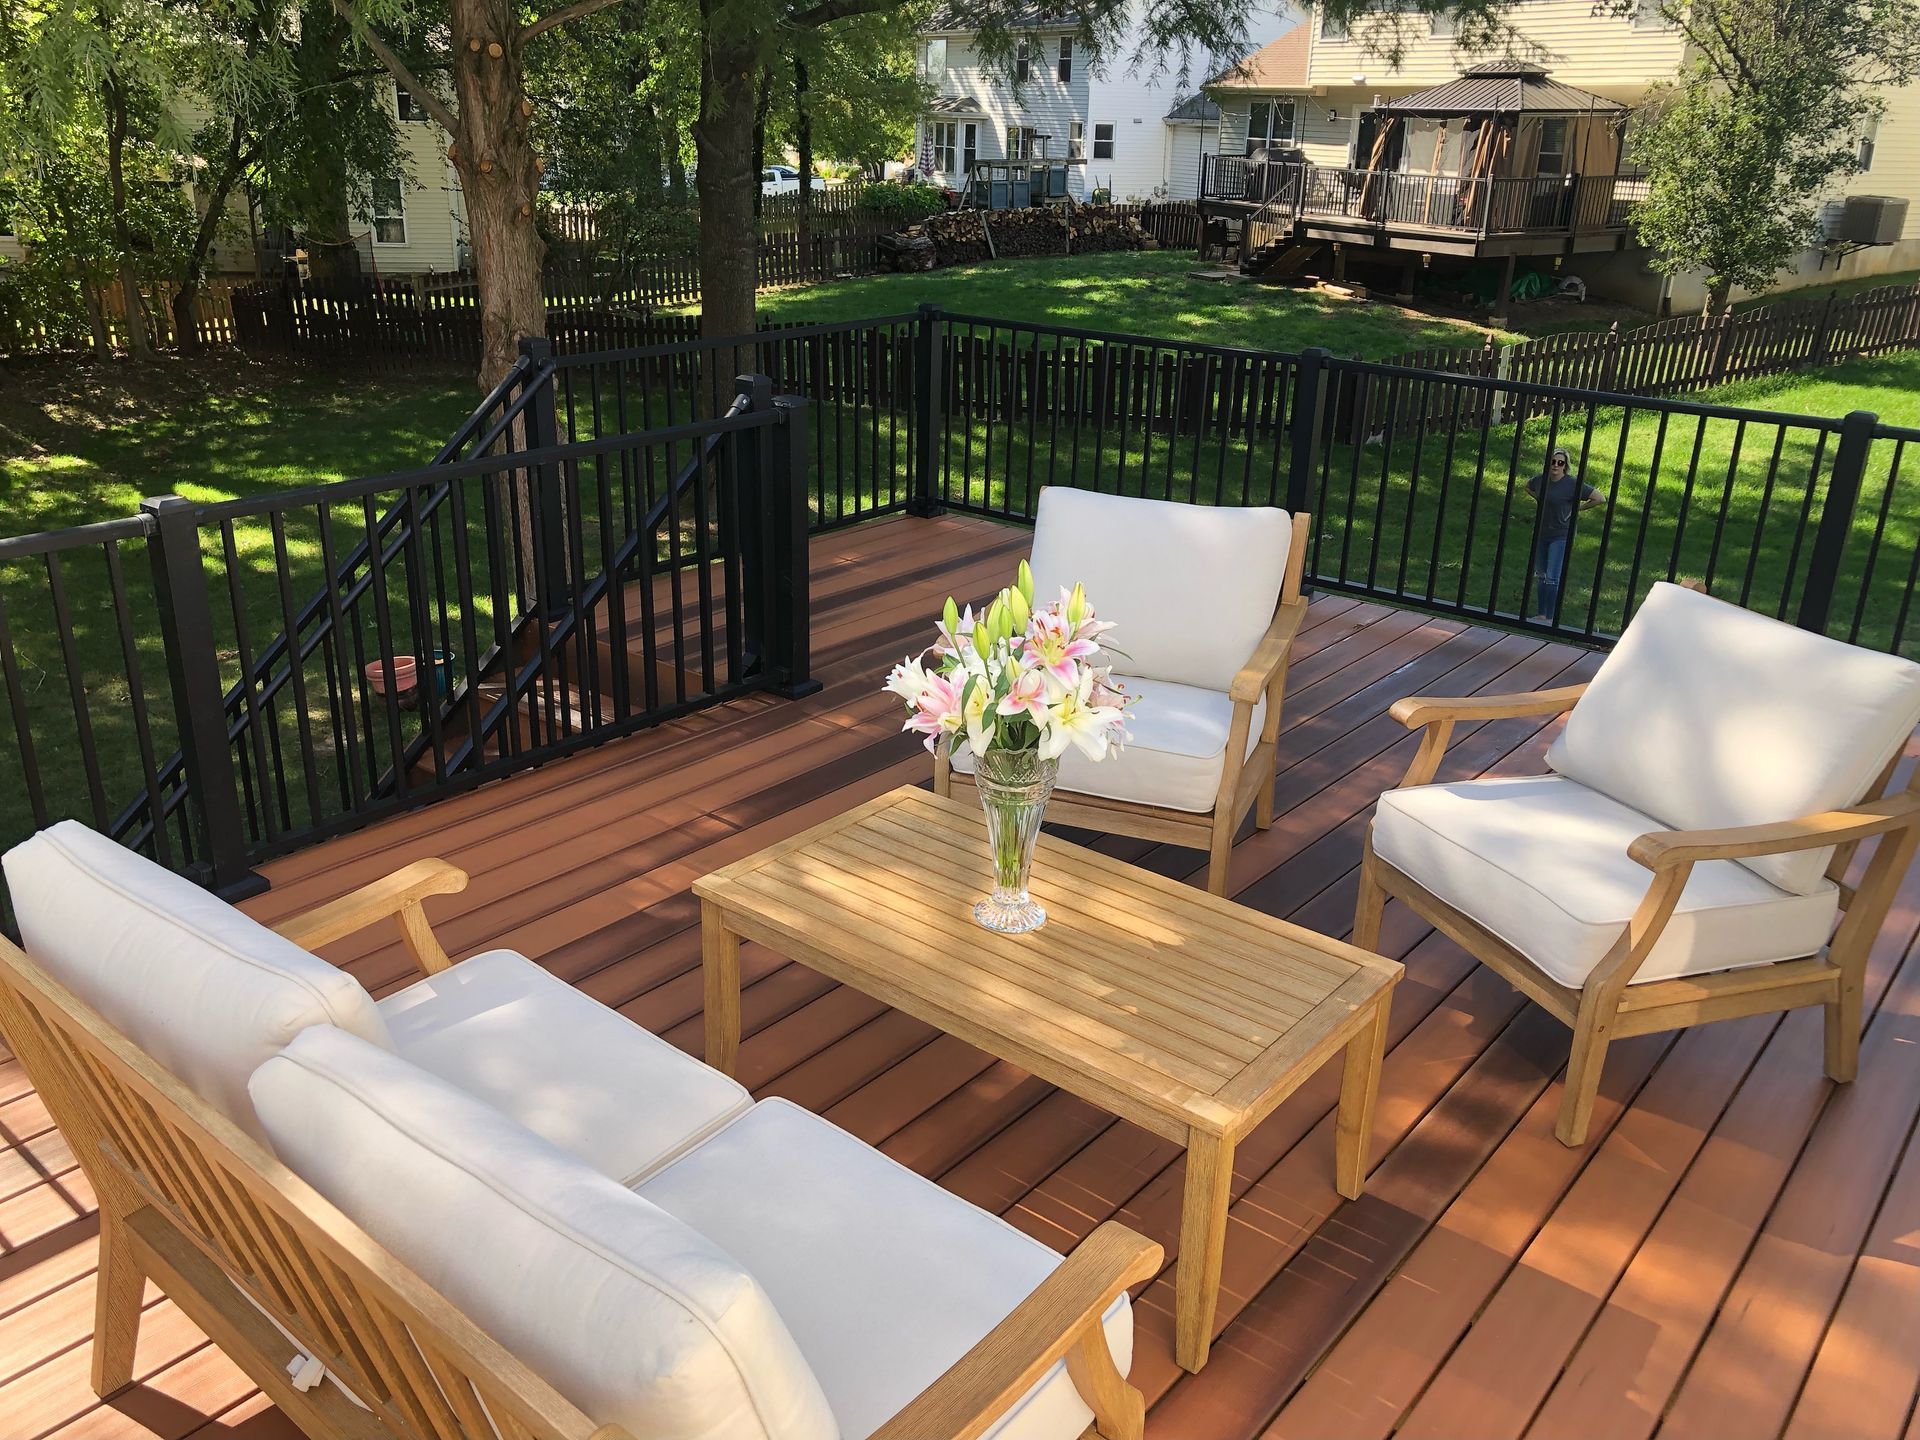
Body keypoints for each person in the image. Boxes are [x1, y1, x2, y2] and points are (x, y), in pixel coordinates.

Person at [1523, 447, 1601, 622]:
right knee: (1541, 574)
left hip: (1561, 535)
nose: (1556, 465)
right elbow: (1527, 487)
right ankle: (1541, 614)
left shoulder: (1572, 484)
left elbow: (1599, 498)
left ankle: (1551, 617)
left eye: (1560, 463)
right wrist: (1539, 499)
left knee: (1552, 577)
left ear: (1565, 466)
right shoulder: (1540, 480)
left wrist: (1578, 508)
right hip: (1542, 533)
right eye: (1553, 462)